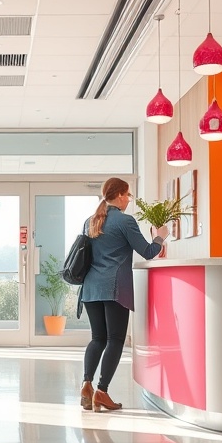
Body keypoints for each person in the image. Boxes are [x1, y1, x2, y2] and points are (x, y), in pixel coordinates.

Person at [79, 177, 167, 413]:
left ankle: (86, 385)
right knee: (115, 340)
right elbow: (148, 251)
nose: (128, 199)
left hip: (91, 288)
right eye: (127, 195)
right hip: (115, 288)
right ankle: (101, 391)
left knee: (97, 338)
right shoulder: (125, 221)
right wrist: (160, 236)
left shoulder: (90, 221)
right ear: (119, 195)